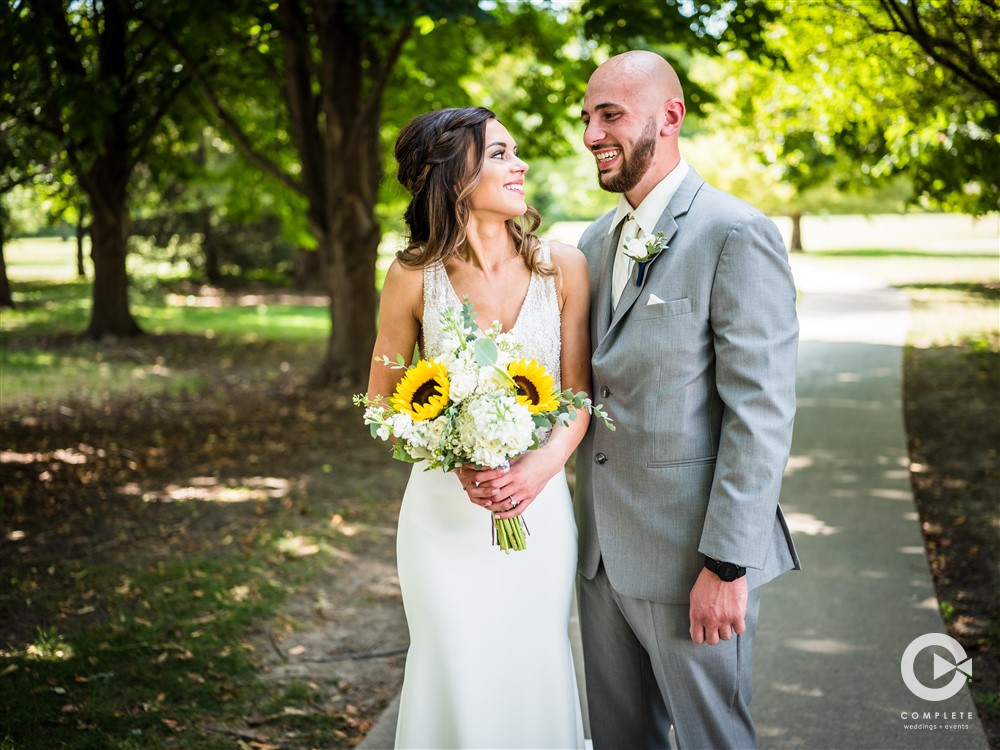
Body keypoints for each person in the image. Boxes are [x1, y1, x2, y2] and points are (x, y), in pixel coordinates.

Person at [574, 50, 801, 749]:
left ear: (670, 117)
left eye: (610, 114)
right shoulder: (591, 242)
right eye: (585, 117)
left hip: (691, 563)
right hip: (600, 561)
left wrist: (727, 565)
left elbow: (759, 413)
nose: (590, 135)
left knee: (714, 740)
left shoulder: (736, 233)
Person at [367, 106, 591, 749]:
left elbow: (577, 396)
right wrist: (449, 448)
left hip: (539, 508)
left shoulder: (564, 267)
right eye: (499, 154)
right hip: (441, 518)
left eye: (515, 151)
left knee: (534, 661)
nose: (519, 164)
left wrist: (538, 471)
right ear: (452, 174)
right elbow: (381, 406)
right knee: (453, 666)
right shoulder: (412, 276)